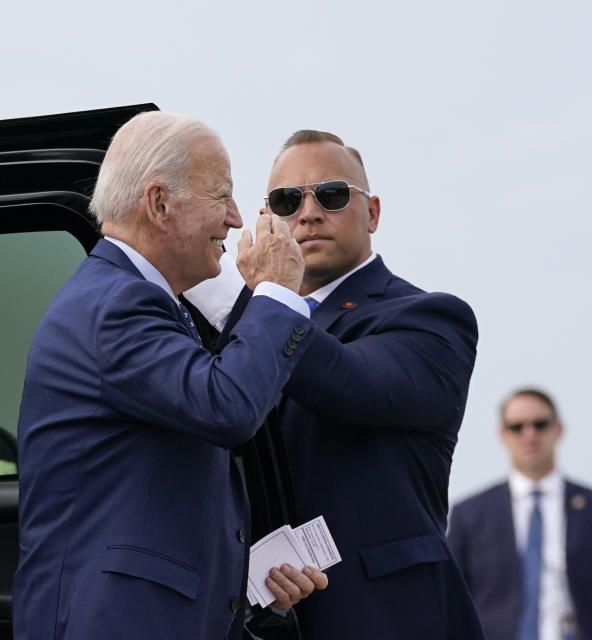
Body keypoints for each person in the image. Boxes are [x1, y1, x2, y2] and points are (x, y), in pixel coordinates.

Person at [12, 111, 328, 640]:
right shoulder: (116, 303)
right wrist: (275, 293)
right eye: (221, 196)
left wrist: (245, 582)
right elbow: (227, 408)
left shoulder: (146, 302)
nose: (233, 218)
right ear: (159, 203)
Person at [185, 129, 483, 639]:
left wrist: (263, 300)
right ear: (267, 217)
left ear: (372, 213)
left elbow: (352, 383)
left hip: (388, 616)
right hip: (261, 612)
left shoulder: (431, 317)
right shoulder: (241, 329)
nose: (308, 213)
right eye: (286, 200)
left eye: (332, 194)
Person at [447, 388, 592, 640]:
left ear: (558, 429)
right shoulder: (470, 515)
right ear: (502, 434)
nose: (530, 435)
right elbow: (450, 598)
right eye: (517, 427)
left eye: (540, 424)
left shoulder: (587, 506)